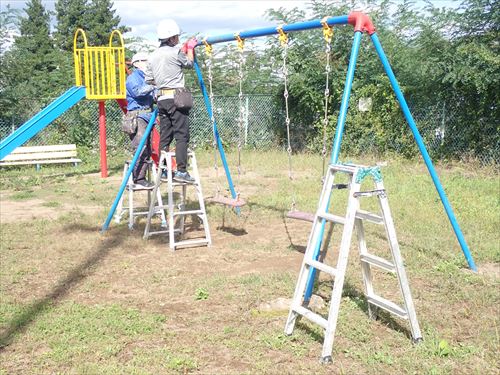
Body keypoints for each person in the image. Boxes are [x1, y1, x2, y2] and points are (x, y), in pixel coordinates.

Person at [145, 19, 198, 183]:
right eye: (177, 37)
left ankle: (163, 170)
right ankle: (182, 171)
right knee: (182, 135)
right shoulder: (176, 52)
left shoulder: (152, 56)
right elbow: (189, 63)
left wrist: (163, 81)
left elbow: (149, 80)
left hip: (162, 99)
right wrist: (190, 48)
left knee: (165, 136)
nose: (178, 39)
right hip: (176, 97)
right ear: (171, 38)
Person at [125, 52, 156, 188]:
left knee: (148, 148)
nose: (148, 64)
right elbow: (138, 92)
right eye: (145, 61)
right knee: (140, 147)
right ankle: (137, 179)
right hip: (137, 117)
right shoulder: (133, 78)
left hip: (148, 116)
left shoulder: (148, 78)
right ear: (136, 63)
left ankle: (141, 177)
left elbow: (153, 95)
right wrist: (154, 86)